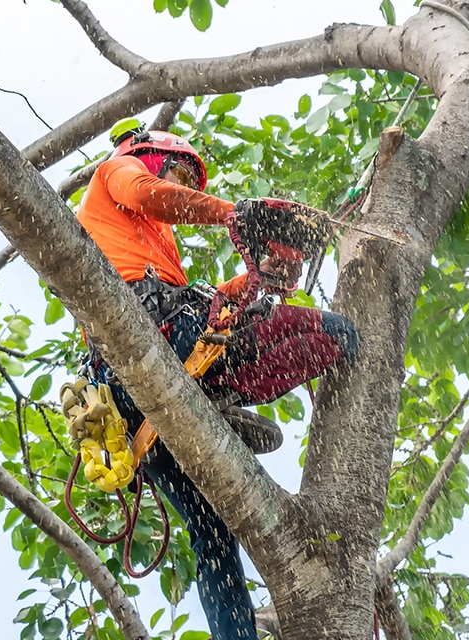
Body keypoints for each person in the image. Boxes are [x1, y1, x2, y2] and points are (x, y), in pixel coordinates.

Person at [75, 122, 359, 640]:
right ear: (152, 154)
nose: (185, 185)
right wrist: (235, 213)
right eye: (180, 172)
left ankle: (219, 396)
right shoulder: (119, 171)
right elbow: (149, 194)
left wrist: (260, 278)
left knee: (214, 537)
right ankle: (219, 394)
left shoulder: (157, 251)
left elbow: (211, 304)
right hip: (153, 341)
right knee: (338, 333)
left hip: (152, 388)